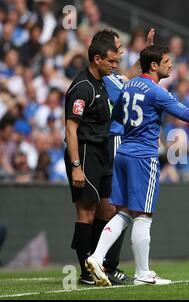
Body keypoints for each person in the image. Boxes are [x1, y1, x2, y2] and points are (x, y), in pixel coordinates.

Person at [85, 45, 189, 286]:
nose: (171, 65)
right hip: (143, 157)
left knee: (124, 212)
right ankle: (143, 274)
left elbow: (115, 119)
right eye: (167, 61)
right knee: (144, 215)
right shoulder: (156, 91)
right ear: (154, 65)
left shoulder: (128, 86)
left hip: (123, 152)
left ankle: (96, 257)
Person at [84, 28, 155, 285]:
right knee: (122, 210)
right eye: (116, 51)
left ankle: (102, 262)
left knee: (116, 209)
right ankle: (101, 263)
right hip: (110, 148)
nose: (119, 56)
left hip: (112, 148)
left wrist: (145, 55)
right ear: (100, 54)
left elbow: (129, 76)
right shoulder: (98, 82)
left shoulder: (109, 80)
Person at [64, 34, 119, 285]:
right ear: (96, 59)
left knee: (107, 210)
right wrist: (76, 166)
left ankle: (96, 262)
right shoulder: (82, 87)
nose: (114, 65)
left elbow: (124, 75)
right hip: (85, 153)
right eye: (111, 61)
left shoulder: (103, 81)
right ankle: (85, 272)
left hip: (102, 152)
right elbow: (70, 129)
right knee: (86, 213)